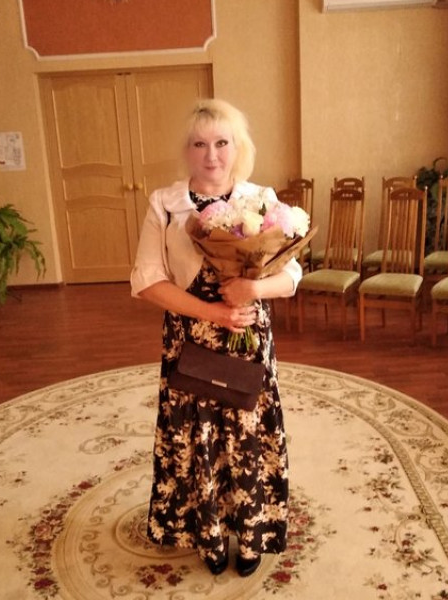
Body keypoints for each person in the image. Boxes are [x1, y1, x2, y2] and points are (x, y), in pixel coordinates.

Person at [130, 98, 302, 577]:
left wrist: (253, 289)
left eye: (222, 142)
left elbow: (292, 275)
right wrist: (212, 312)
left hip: (246, 329)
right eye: (199, 144)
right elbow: (146, 280)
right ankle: (207, 533)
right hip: (191, 334)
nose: (212, 155)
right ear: (185, 150)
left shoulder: (261, 199)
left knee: (248, 431)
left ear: (237, 147)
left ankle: (250, 532)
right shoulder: (165, 203)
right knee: (196, 434)